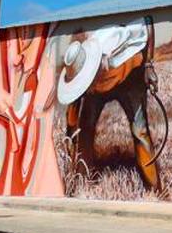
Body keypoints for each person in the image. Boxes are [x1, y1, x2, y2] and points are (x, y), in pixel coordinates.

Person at [57, 15, 163, 192]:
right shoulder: (80, 56)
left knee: (140, 132)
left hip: (131, 78)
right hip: (100, 79)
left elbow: (147, 20)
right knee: (85, 128)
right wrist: (70, 133)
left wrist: (148, 66)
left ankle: (155, 190)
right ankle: (82, 183)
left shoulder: (126, 48)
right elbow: (73, 118)